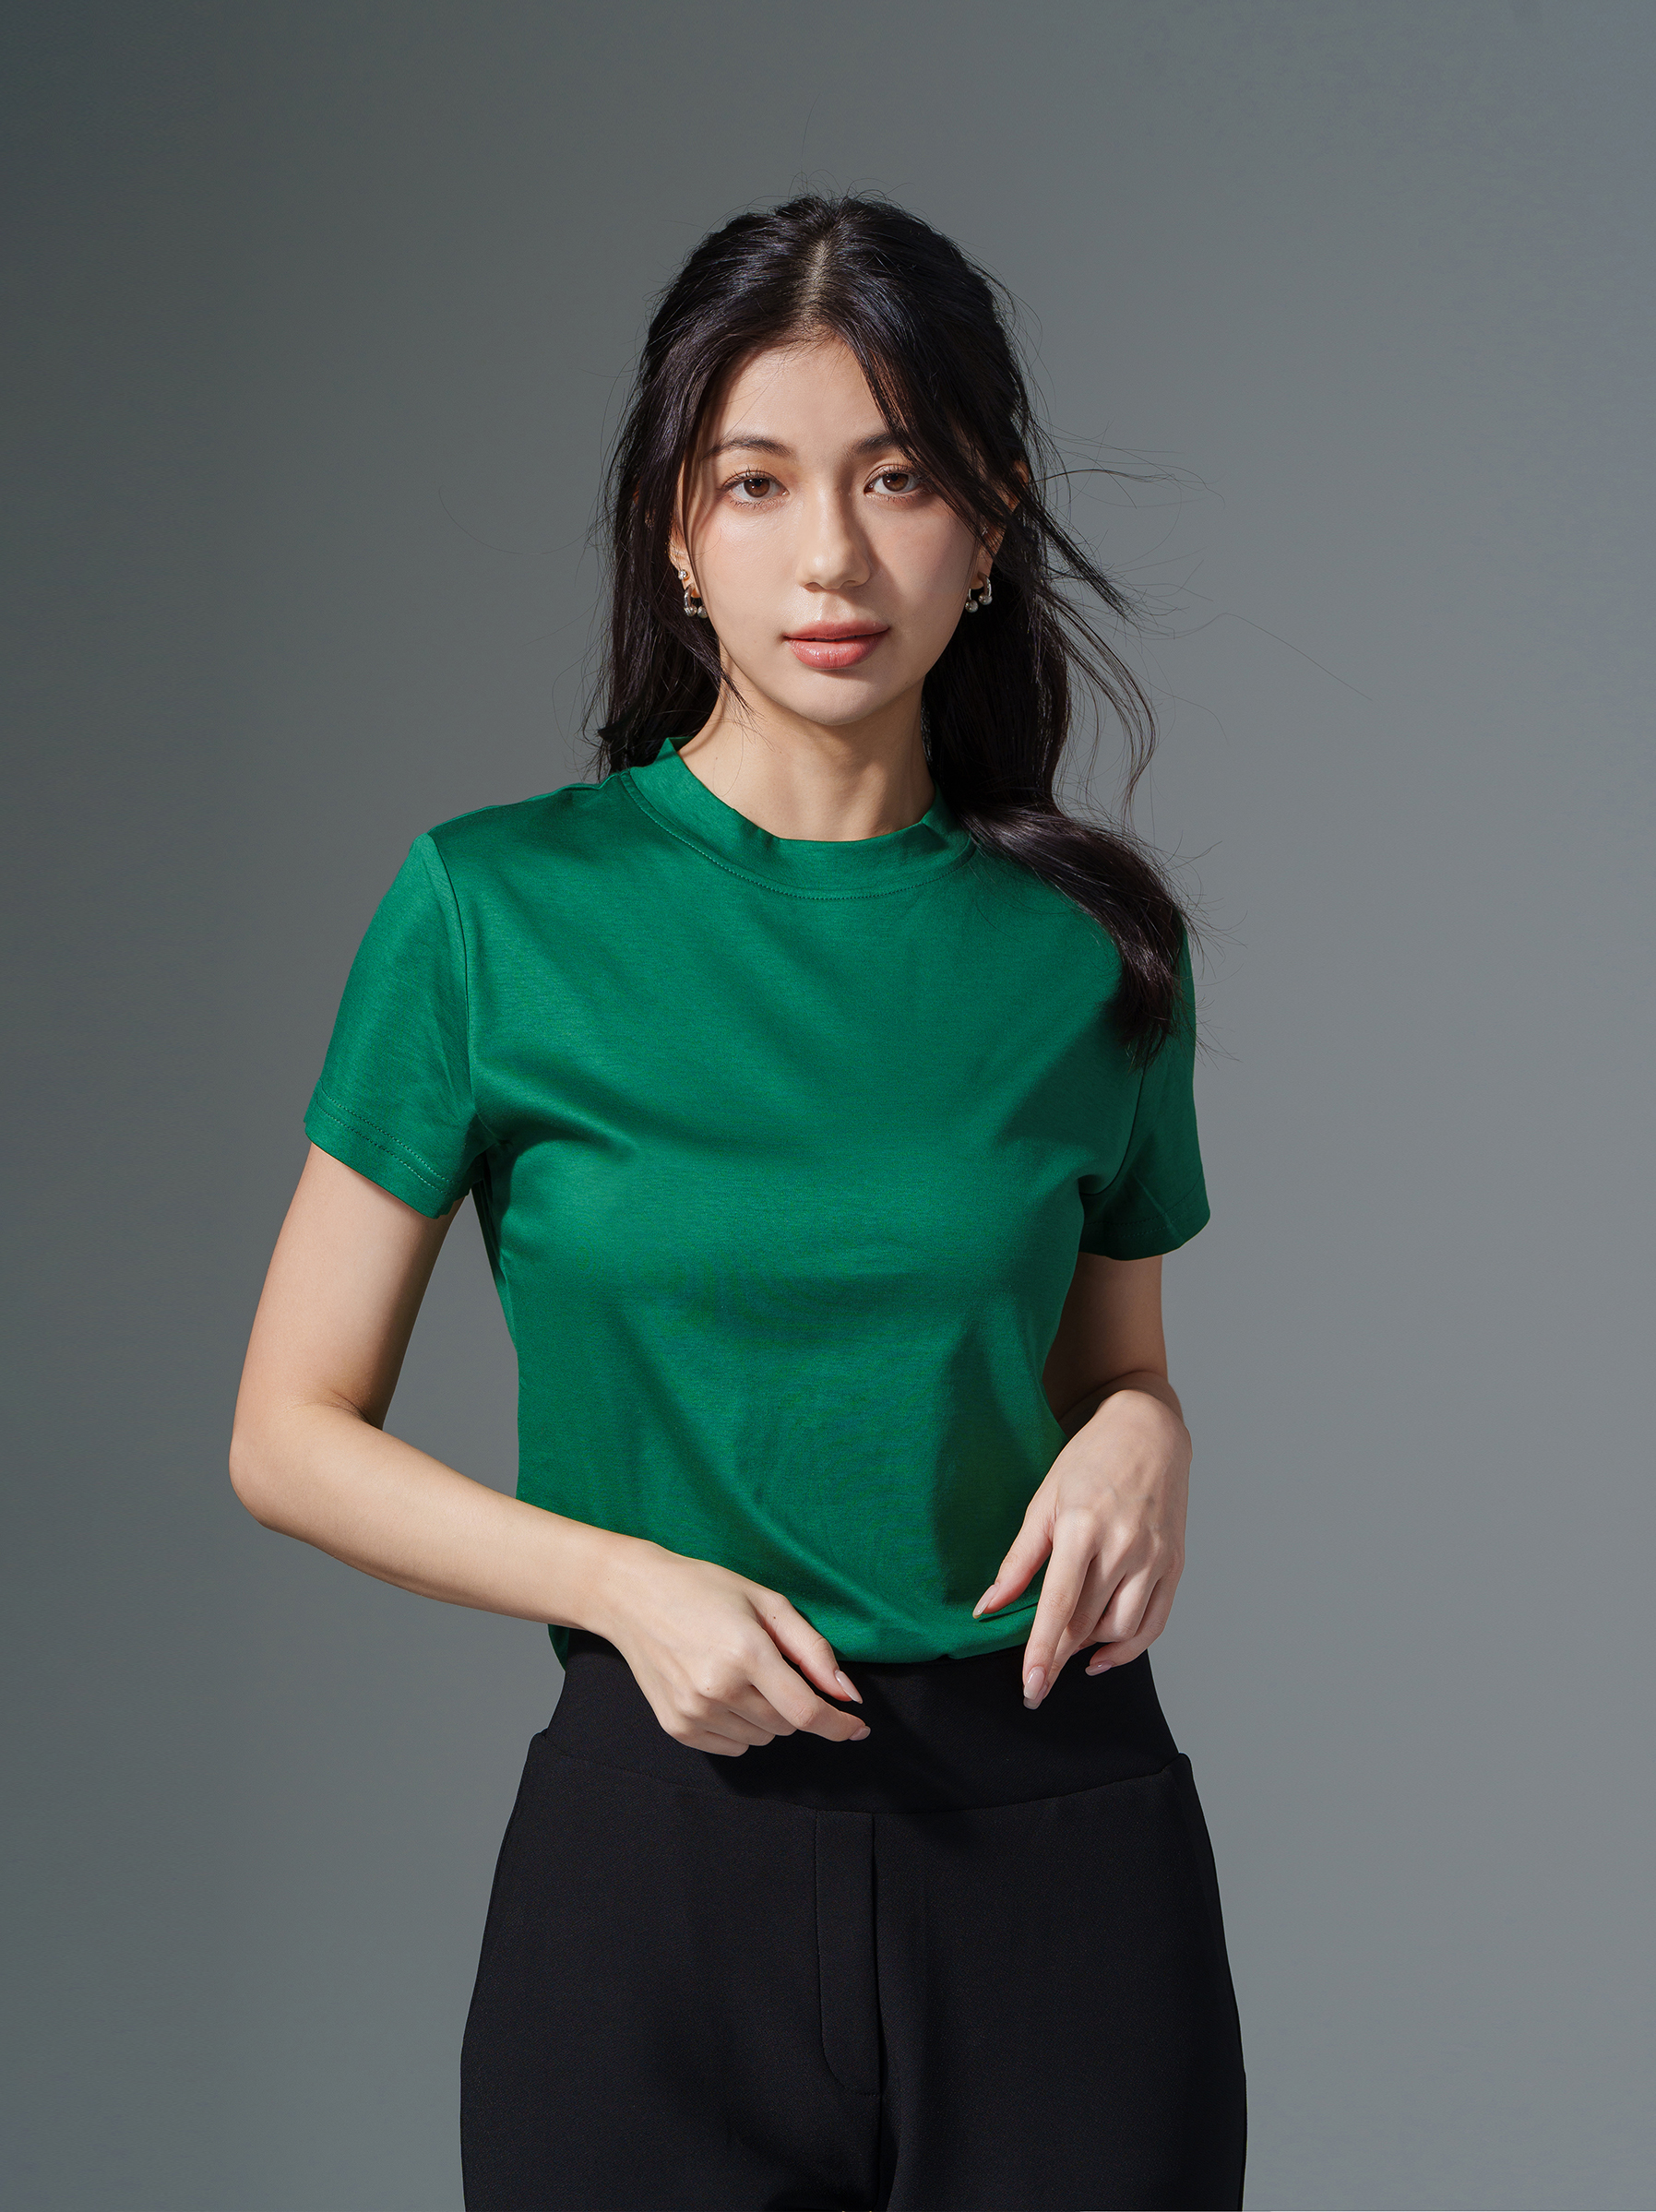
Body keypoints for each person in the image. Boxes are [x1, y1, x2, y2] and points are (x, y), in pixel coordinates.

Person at [230, 191, 1247, 2212]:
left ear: (990, 517)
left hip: (1056, 1854)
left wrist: (1152, 1434)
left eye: (898, 476)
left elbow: (1111, 1376)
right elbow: (286, 1431)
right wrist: (623, 1583)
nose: (832, 556)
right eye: (757, 482)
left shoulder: (1092, 950)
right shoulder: (492, 909)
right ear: (674, 536)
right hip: (656, 1863)